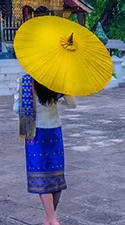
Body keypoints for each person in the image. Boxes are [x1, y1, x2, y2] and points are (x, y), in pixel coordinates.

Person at [13, 74, 77, 225]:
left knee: (41, 175)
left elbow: (17, 109)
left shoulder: (24, 81)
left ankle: (53, 219)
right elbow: (72, 104)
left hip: (35, 133)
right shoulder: (56, 81)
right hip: (54, 131)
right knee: (56, 174)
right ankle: (49, 219)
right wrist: (60, 94)